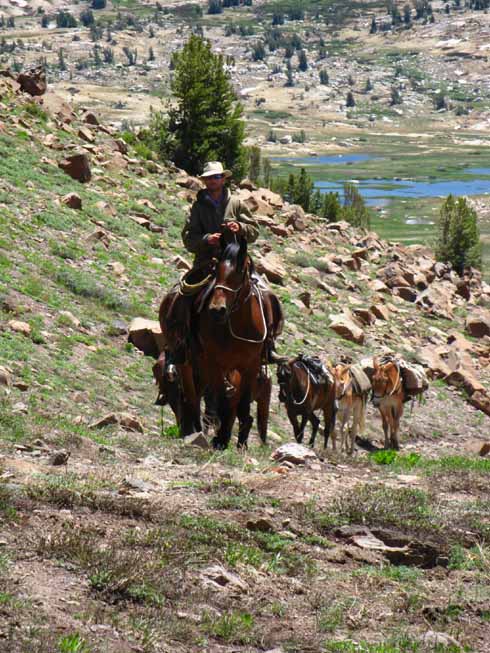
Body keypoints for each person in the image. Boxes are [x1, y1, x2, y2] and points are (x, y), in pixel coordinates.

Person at [162, 161, 283, 365]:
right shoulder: (198, 206)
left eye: (216, 177)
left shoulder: (236, 203)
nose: (212, 181)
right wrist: (206, 240)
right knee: (180, 297)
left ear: (223, 179)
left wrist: (240, 228)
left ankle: (268, 345)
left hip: (235, 263)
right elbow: (188, 238)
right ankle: (180, 344)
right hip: (207, 263)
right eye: (209, 178)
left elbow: (254, 231)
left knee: (267, 295)